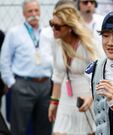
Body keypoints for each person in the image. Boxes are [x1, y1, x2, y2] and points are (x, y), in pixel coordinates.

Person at [0, 0, 52, 134]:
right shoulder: (14, 33)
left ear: (40, 12)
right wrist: (12, 83)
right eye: (30, 11)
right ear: (24, 14)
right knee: (19, 128)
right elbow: (4, 61)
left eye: (36, 10)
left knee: (44, 127)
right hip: (23, 85)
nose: (34, 14)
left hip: (45, 86)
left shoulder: (48, 32)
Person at [48, 4, 97, 135]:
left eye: (57, 26)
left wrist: (91, 97)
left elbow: (100, 74)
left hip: (85, 96)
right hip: (65, 97)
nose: (53, 29)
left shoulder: (88, 43)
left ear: (69, 27)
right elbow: (58, 75)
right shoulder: (57, 42)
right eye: (51, 24)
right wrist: (54, 102)